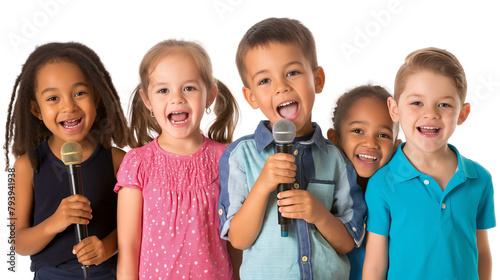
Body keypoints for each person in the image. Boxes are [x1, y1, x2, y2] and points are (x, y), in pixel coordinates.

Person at [218, 17, 366, 279]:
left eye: (292, 73)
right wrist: (262, 185)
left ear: (317, 80)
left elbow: (348, 242)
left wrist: (318, 214)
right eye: (265, 81)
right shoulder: (240, 156)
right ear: (251, 96)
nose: (281, 86)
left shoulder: (335, 158)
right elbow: (238, 240)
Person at [363, 47, 495, 280]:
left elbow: (482, 251)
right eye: (417, 103)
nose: (430, 114)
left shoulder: (480, 179)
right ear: (395, 109)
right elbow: (375, 266)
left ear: (462, 114)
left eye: (443, 105)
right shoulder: (382, 185)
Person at [115, 39, 239, 280]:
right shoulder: (137, 163)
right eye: (163, 90)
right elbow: (128, 246)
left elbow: (236, 239)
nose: (177, 99)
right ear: (147, 100)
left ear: (210, 95)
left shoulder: (227, 159)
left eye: (189, 88)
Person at [5, 42, 129, 279]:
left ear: (96, 96)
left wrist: (106, 248)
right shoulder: (24, 167)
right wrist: (55, 222)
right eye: (53, 98)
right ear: (36, 109)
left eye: (79, 93)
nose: (69, 106)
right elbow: (18, 243)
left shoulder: (118, 161)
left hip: (108, 273)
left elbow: (133, 225)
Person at [327, 85, 401, 280]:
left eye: (383, 135)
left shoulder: (397, 198)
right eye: (358, 130)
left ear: (396, 147)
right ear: (334, 139)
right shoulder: (325, 193)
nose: (371, 143)